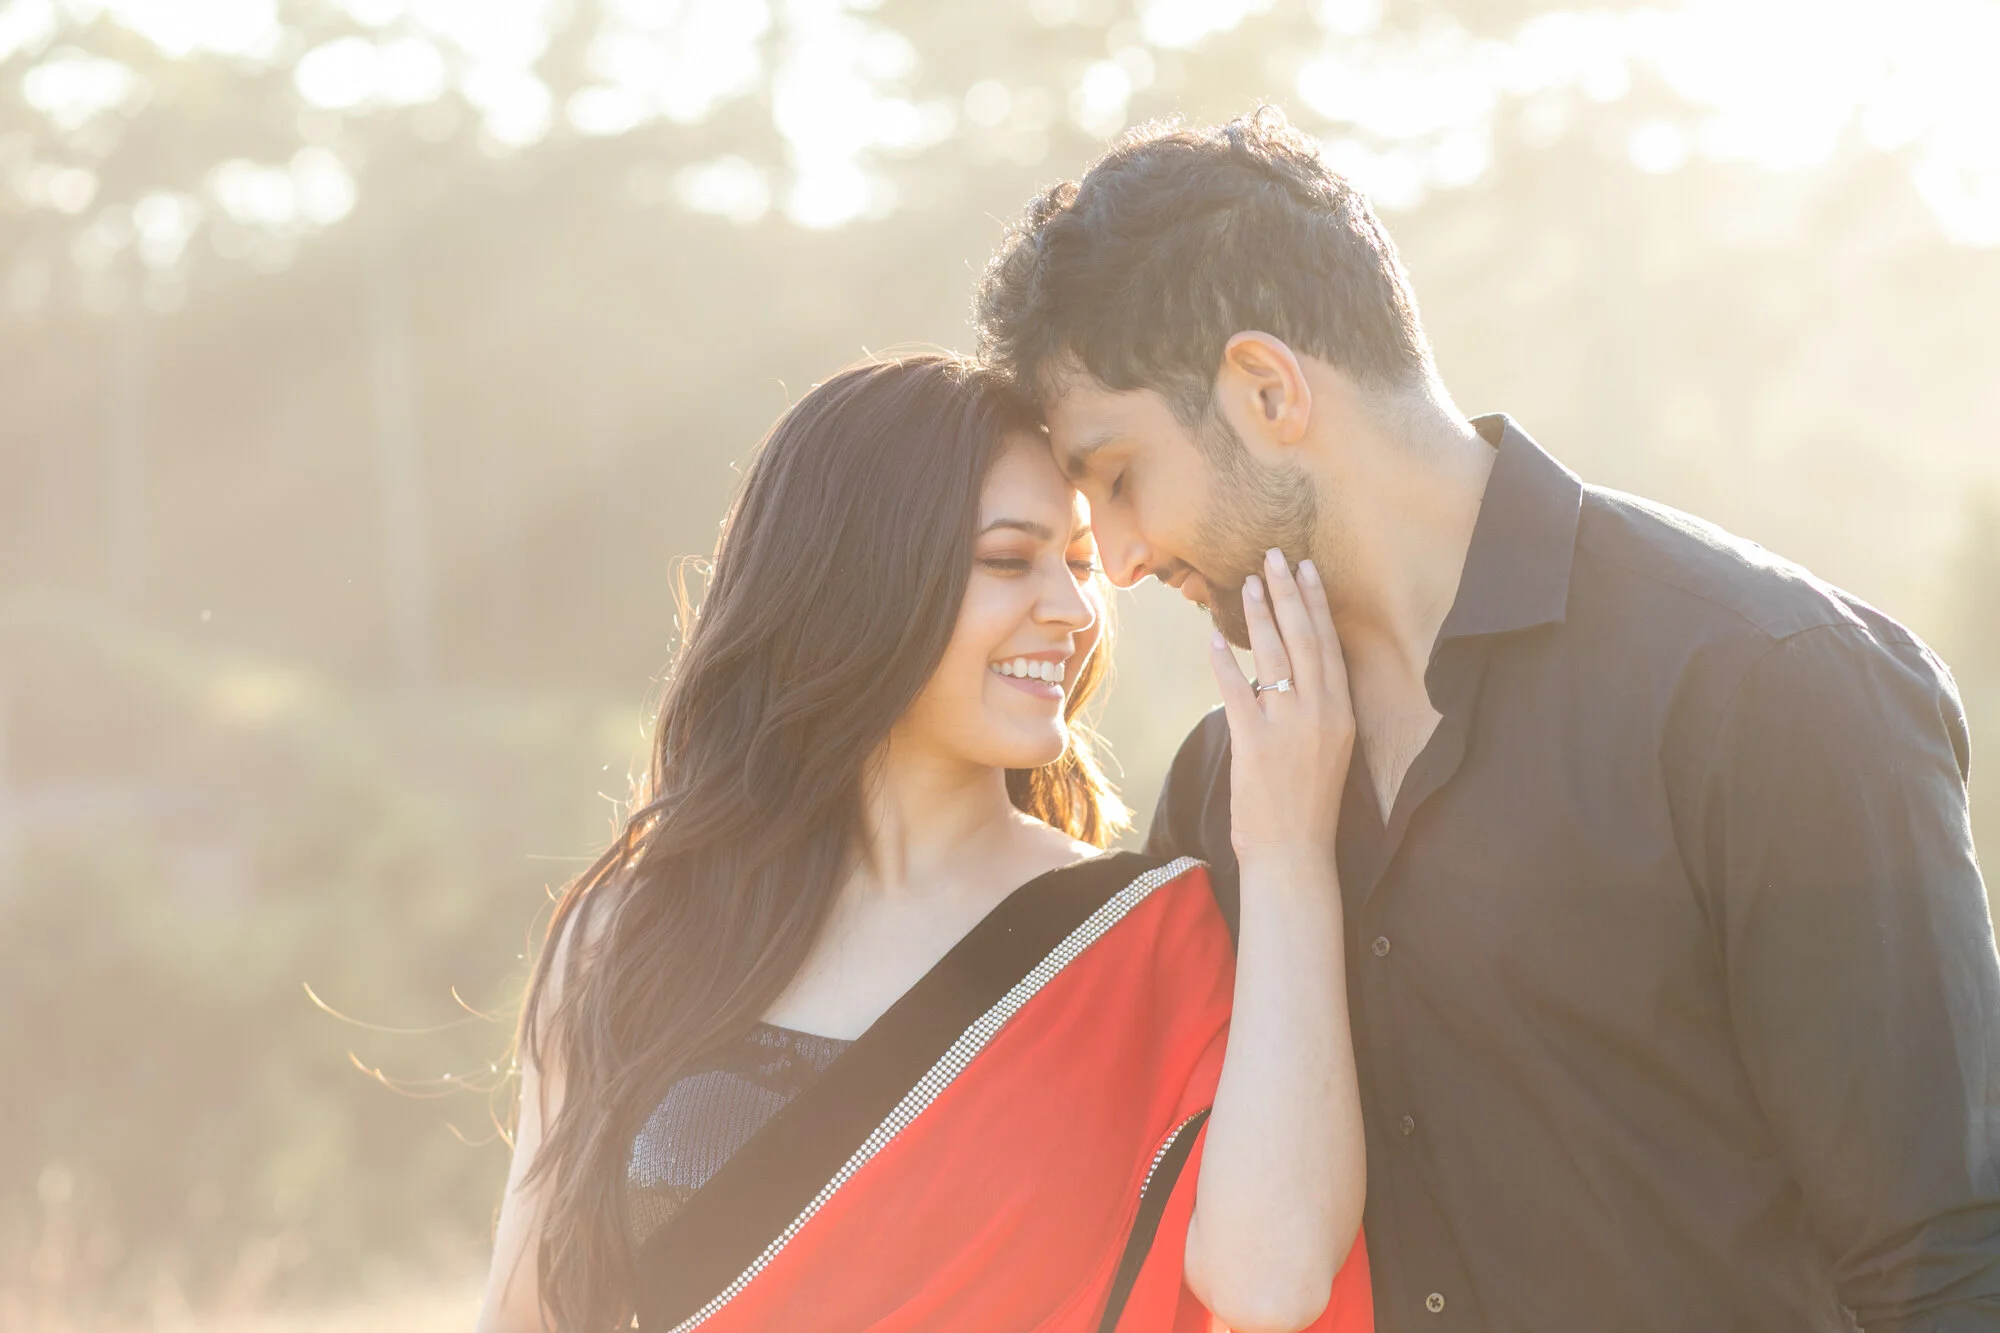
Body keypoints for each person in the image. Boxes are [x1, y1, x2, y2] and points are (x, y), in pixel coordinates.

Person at [974, 108, 2000, 1331]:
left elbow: (1945, 1266)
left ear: (1264, 388)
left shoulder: (1773, 686)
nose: (1123, 559)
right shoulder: (1227, 779)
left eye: (1118, 476)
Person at [473, 353, 1373, 1333]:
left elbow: (1271, 1282)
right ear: (855, 582)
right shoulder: (630, 932)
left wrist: (1288, 856)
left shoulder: (1141, 936)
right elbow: (528, 1311)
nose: (1072, 612)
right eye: (1006, 560)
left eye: (1076, 565)